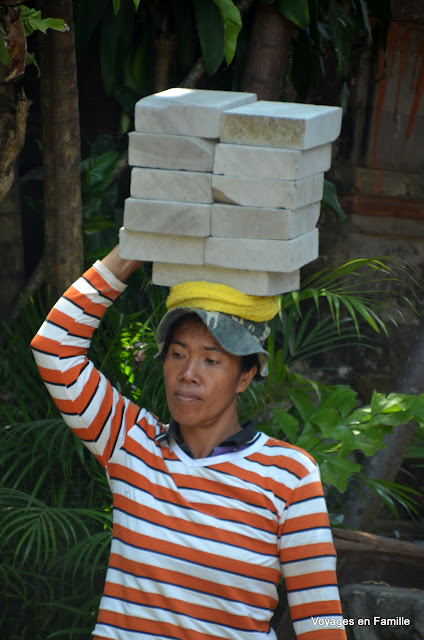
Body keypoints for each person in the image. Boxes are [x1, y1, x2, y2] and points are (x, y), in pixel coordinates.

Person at [31, 244, 347, 640]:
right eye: (178, 354)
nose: (188, 373)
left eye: (211, 360)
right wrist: (135, 244)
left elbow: (321, 622)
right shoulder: (130, 443)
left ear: (245, 376)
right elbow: (54, 347)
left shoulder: (289, 475)